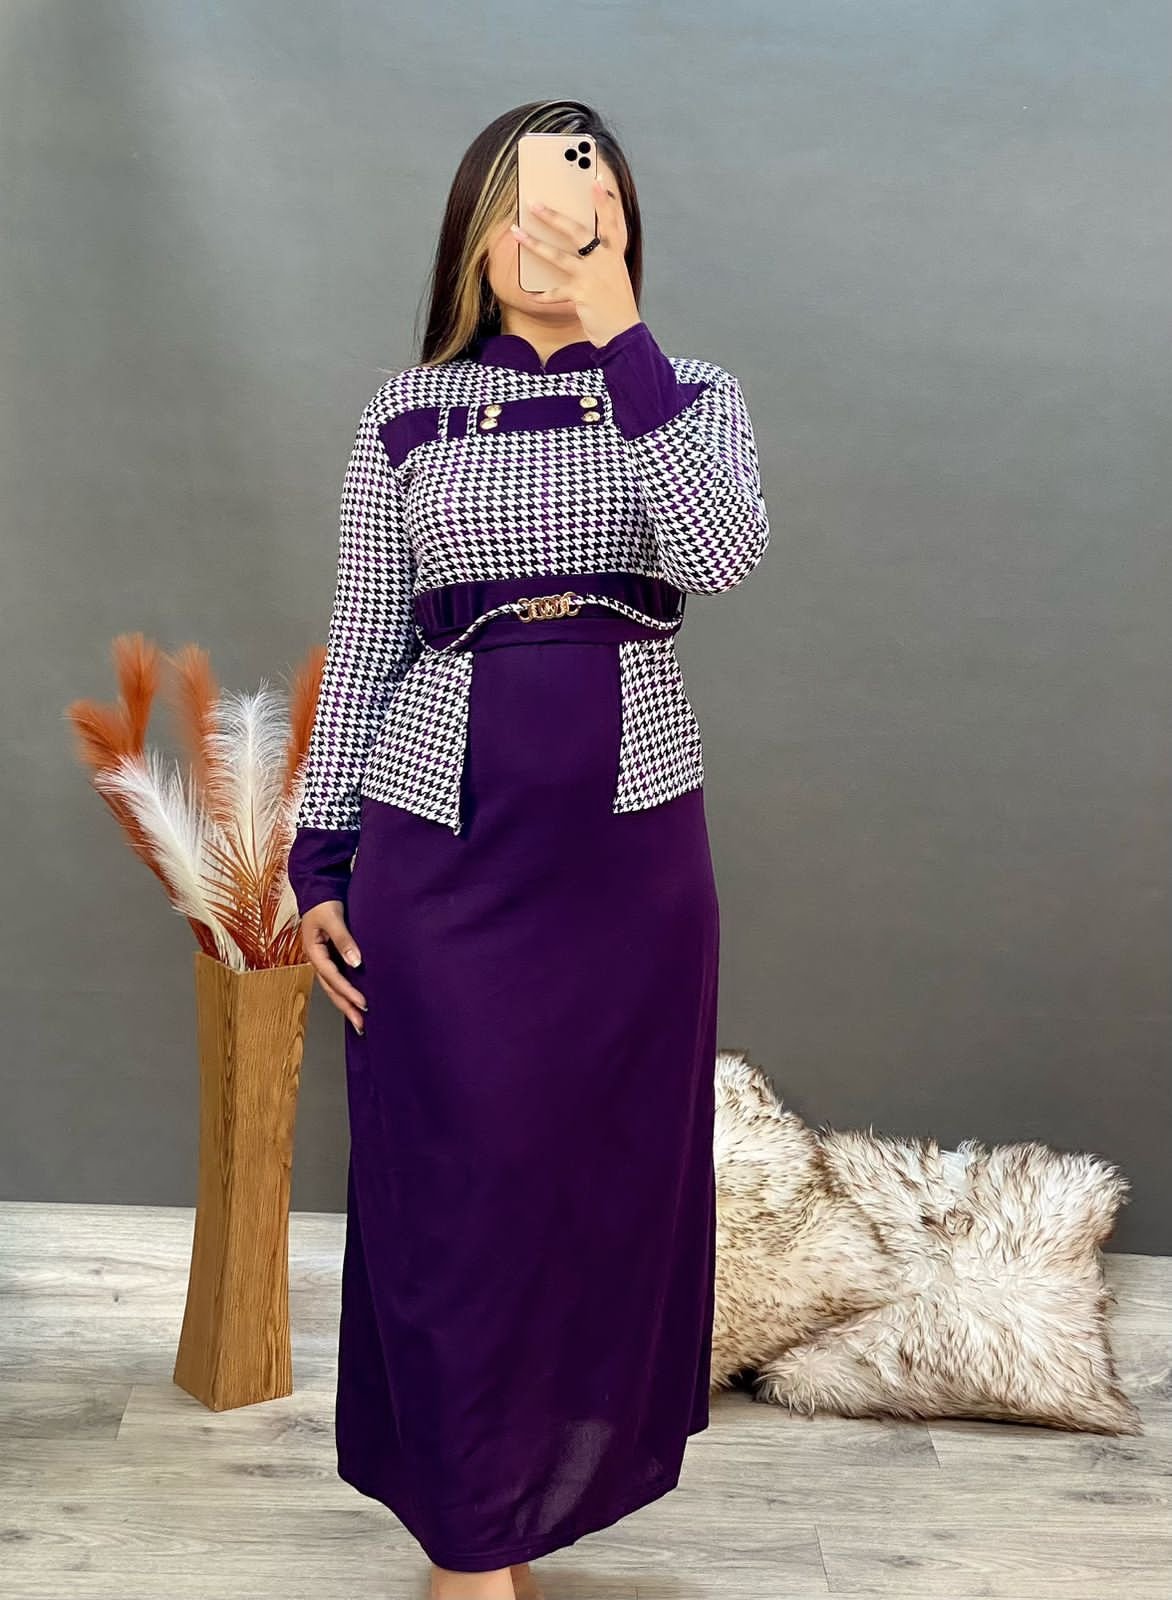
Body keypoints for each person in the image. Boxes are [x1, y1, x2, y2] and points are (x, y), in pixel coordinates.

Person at [287, 99, 770, 1600]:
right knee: (455, 1192)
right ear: (473, 234)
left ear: (622, 234)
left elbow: (719, 556)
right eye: (525, 203)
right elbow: (367, 635)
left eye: (584, 204)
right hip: (440, 853)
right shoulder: (407, 414)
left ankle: (529, 1505)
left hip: (630, 866)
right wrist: (317, 858)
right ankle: (468, 1539)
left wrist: (620, 333)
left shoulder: (689, 395)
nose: (549, 231)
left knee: (596, 1191)